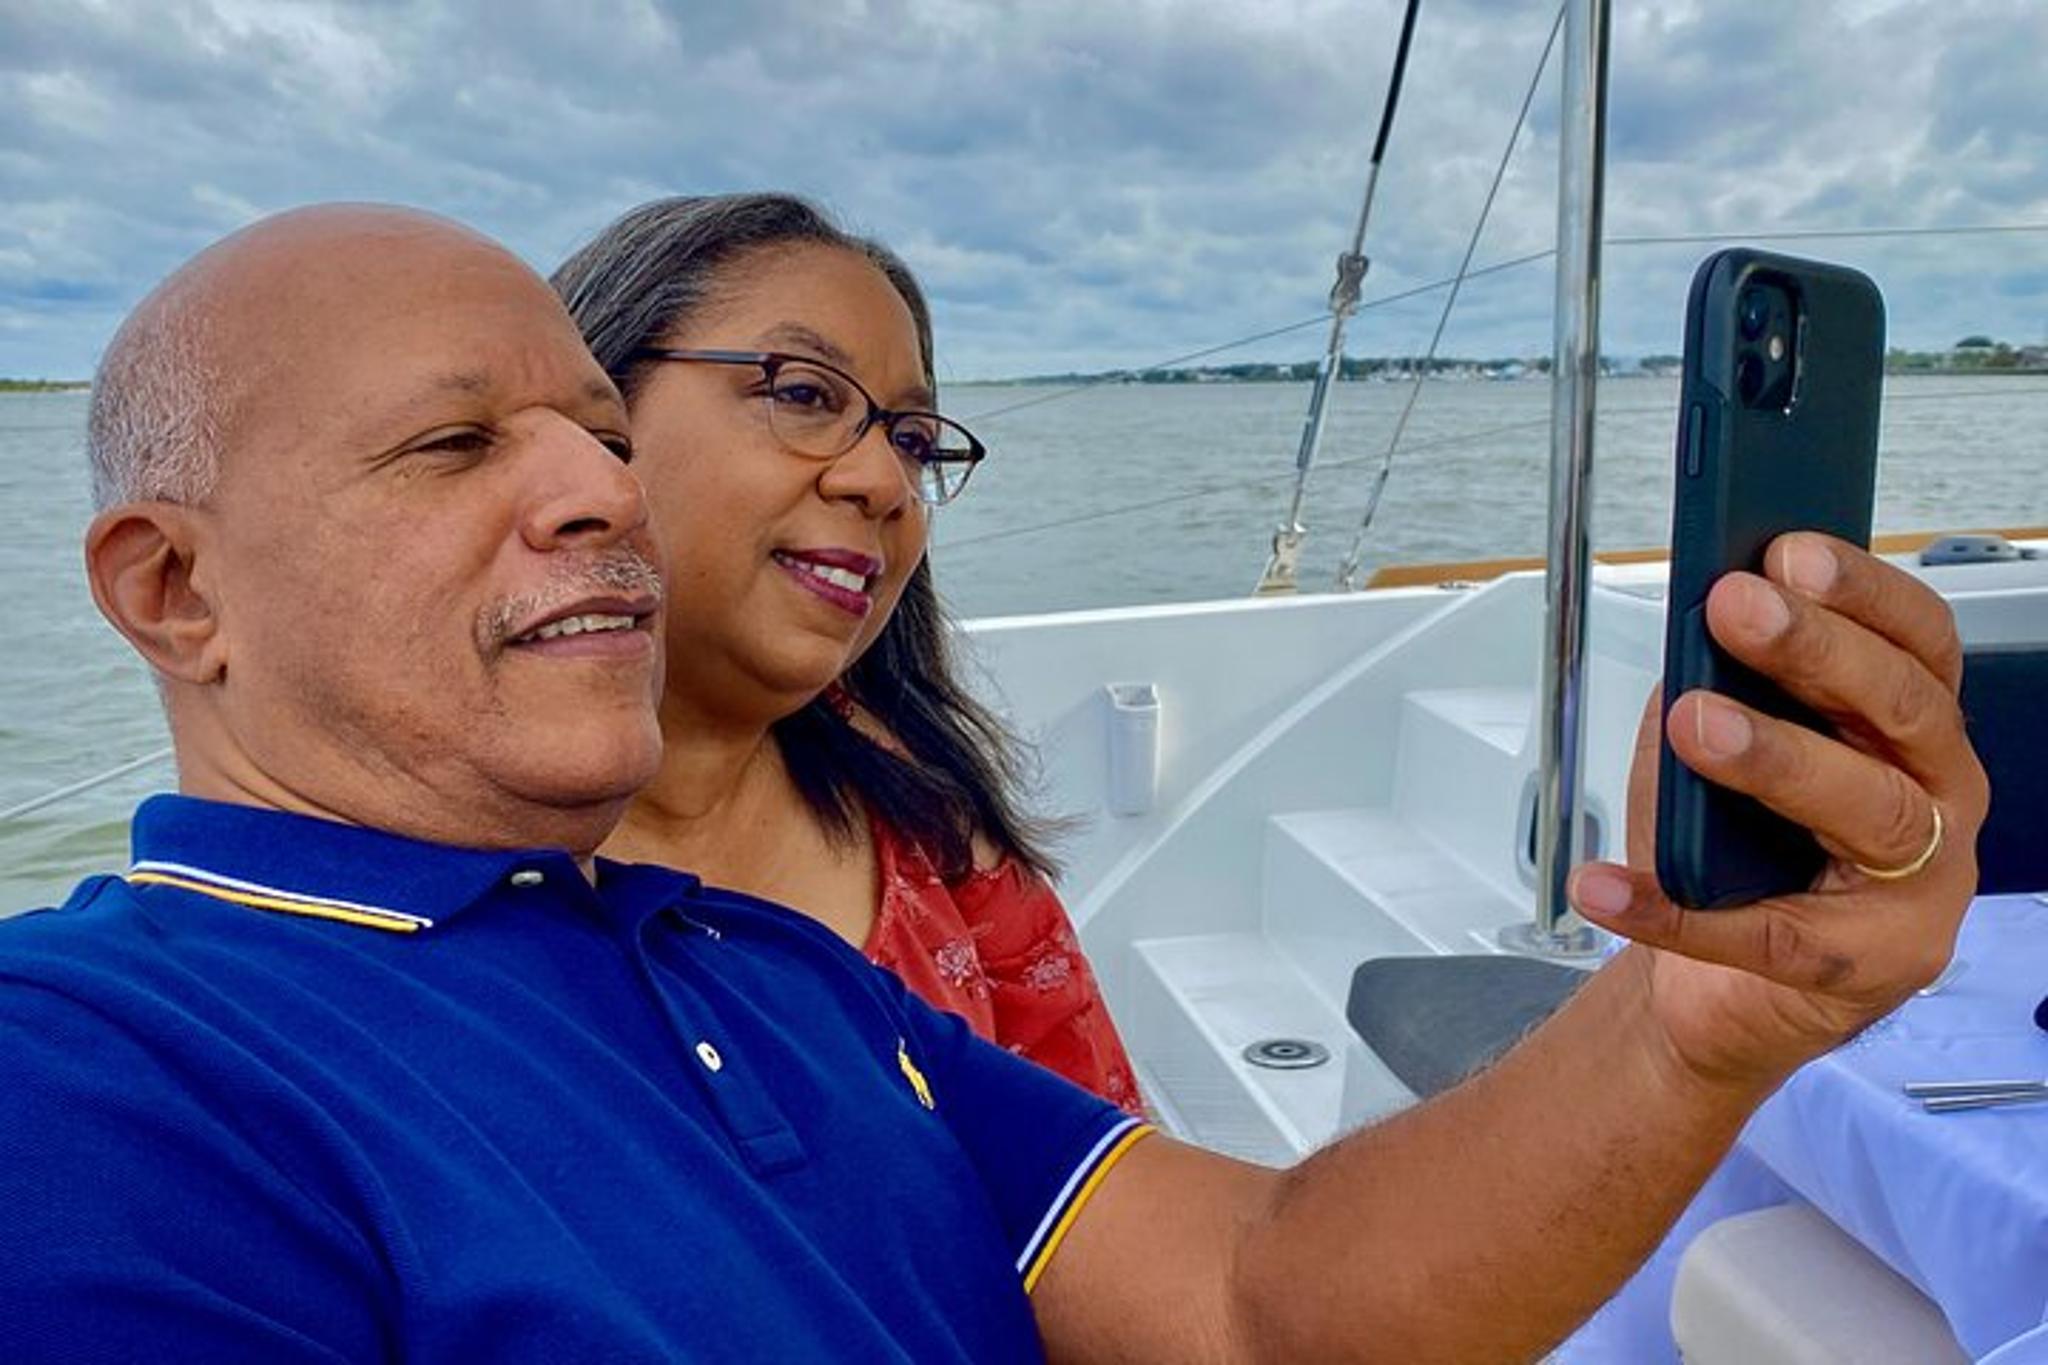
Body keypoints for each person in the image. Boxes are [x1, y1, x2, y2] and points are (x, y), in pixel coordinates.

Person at [0, 203, 1987, 1364]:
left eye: (598, 431)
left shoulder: (763, 974)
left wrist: (1694, 1027)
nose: (596, 486)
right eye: (454, 443)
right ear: (174, 591)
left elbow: (1263, 1290)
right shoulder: (92, 1067)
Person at [550, 195, 1139, 1107]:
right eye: (802, 394)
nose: (882, 482)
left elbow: (1104, 1160)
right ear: (594, 411)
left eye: (909, 440)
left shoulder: (930, 822)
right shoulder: (406, 863)